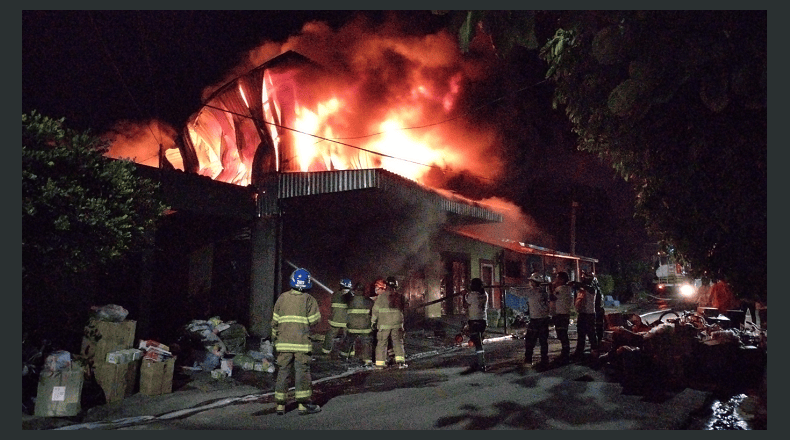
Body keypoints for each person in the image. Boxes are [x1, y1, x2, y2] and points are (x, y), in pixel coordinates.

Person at [271, 268, 322, 415]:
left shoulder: (282, 298)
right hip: (301, 343)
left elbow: (274, 322)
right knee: (302, 372)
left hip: (283, 343)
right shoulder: (309, 299)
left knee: (283, 372)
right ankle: (303, 405)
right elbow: (314, 321)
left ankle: (280, 405)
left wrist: (275, 338)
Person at [371, 276, 407, 369]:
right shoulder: (401, 297)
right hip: (397, 324)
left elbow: (375, 311)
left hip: (384, 324)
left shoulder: (381, 298)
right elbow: (406, 306)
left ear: (386, 285)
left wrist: (372, 322)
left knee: (382, 343)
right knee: (398, 342)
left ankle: (380, 364)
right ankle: (400, 362)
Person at [340, 281, 375, 368]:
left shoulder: (349, 300)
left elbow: (343, 301)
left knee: (348, 341)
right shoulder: (369, 301)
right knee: (366, 343)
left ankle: (344, 356)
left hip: (352, 327)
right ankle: (367, 360)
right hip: (365, 328)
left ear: (355, 290)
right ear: (363, 291)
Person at [523, 272, 551, 368]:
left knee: (530, 340)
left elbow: (519, 293)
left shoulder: (532, 292)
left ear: (534, 282)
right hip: (544, 319)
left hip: (535, 320)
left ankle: (528, 360)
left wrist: (508, 288)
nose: (530, 283)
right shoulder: (544, 292)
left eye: (531, 281)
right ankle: (544, 359)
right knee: (543, 341)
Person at [321, 278, 354, 357]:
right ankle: (348, 352)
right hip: (347, 320)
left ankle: (326, 350)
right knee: (348, 336)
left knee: (330, 334)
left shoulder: (335, 294)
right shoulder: (351, 296)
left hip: (335, 319)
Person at [463, 278, 489, 373]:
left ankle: (481, 364)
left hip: (474, 322)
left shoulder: (472, 295)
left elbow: (465, 304)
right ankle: (479, 362)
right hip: (483, 321)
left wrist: (464, 294)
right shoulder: (485, 294)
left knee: (478, 344)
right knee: (478, 341)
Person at [572, 277, 599, 361]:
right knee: (581, 334)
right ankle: (579, 351)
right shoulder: (581, 291)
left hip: (589, 314)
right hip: (582, 314)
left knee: (591, 333)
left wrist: (577, 283)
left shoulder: (592, 290)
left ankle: (595, 351)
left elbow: (588, 288)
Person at [551, 271, 573, 364]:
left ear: (563, 279)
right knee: (562, 333)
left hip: (561, 314)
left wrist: (550, 288)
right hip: (564, 314)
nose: (556, 280)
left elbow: (552, 297)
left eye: (558, 278)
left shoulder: (561, 289)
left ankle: (565, 354)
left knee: (562, 334)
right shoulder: (567, 289)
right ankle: (565, 352)